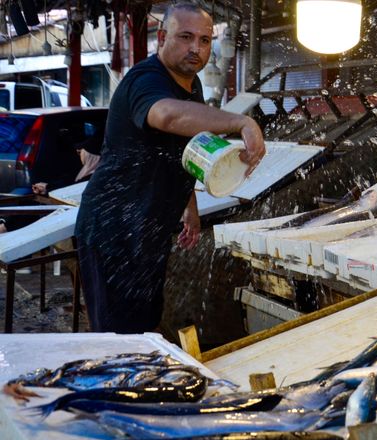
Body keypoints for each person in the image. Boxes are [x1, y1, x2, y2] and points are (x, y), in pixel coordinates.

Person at [75, 3, 265, 333]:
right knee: (118, 337)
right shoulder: (146, 80)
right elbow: (167, 116)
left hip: (150, 229)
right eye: (186, 37)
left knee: (145, 324)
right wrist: (240, 121)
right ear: (162, 37)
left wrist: (188, 208)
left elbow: (187, 150)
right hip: (114, 229)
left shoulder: (192, 86)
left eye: (205, 40)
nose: (196, 48)